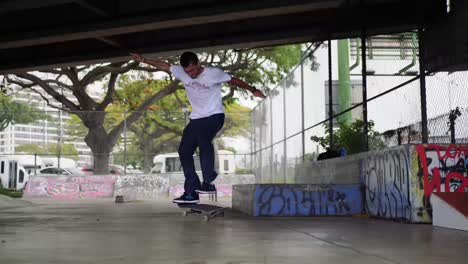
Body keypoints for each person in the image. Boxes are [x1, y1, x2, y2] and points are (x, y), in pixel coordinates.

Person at [131, 52, 266, 203]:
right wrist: (143, 59)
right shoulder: (181, 72)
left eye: (193, 70)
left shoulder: (214, 73)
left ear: (198, 63)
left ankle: (208, 182)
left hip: (214, 116)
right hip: (196, 118)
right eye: (188, 72)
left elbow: (235, 81)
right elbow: (164, 65)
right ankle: (191, 192)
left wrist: (253, 90)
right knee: (184, 150)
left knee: (203, 139)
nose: (191, 74)